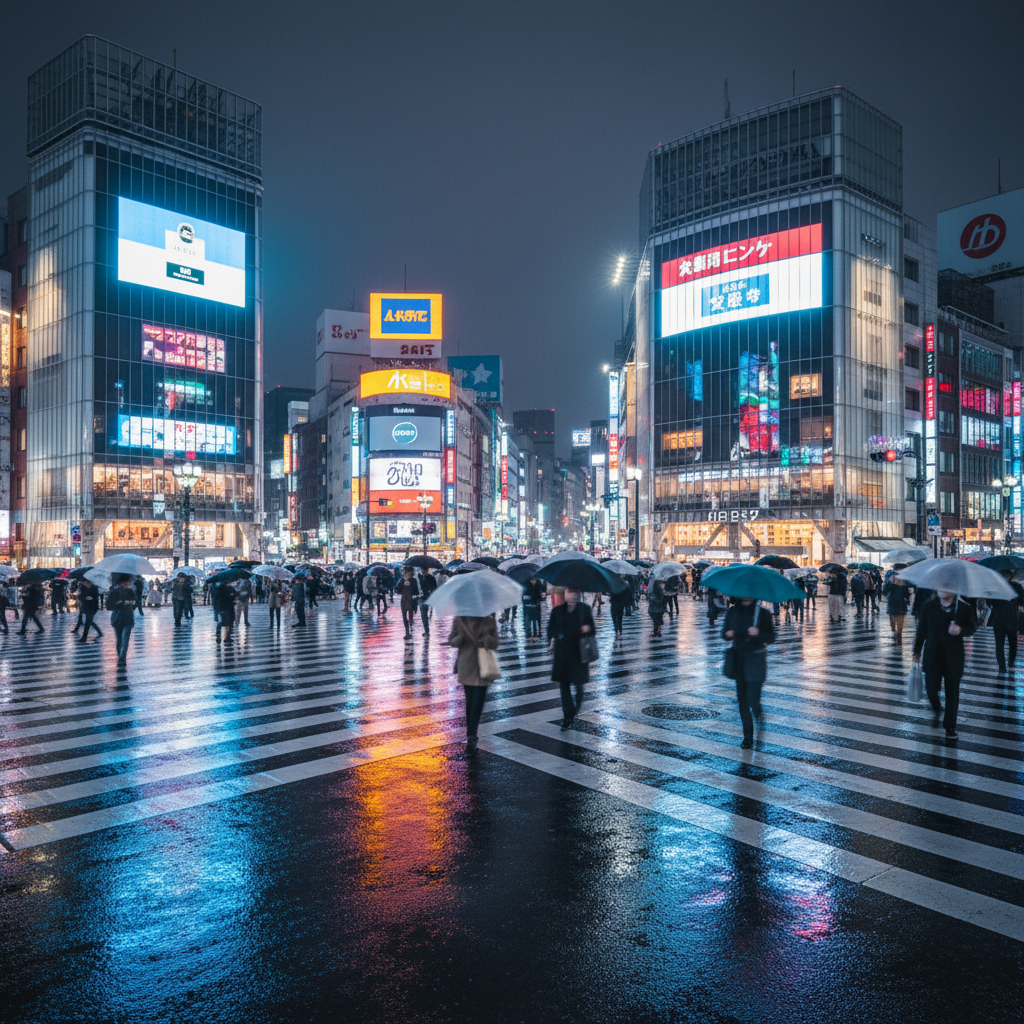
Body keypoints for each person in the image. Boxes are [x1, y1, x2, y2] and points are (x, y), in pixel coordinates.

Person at [913, 590, 978, 740]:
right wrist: (916, 651)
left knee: (952, 692)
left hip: (953, 657)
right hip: (932, 655)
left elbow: (972, 627)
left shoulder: (963, 607)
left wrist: (960, 630)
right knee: (930, 688)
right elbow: (921, 630)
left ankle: (950, 726)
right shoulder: (928, 606)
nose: (944, 589)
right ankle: (937, 708)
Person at [722, 597, 776, 749]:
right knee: (742, 702)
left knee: (752, 700)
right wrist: (728, 634)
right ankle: (747, 737)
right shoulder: (733, 611)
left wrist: (758, 634)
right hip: (739, 660)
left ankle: (759, 716)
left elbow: (771, 637)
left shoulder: (763, 613)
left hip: (756, 660)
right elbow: (723, 632)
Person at [446, 614, 500, 757]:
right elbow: (451, 640)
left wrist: (486, 640)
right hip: (466, 665)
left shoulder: (488, 619)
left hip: (483, 667)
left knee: (477, 703)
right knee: (470, 702)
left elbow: (495, 643)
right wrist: (461, 639)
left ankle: (471, 737)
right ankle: (471, 735)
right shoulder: (459, 620)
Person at [548, 588, 595, 730]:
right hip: (562, 653)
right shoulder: (557, 610)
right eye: (570, 592)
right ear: (565, 594)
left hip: (579, 653)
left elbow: (593, 629)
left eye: (576, 593)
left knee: (579, 686)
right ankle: (567, 715)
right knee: (564, 685)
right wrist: (552, 641)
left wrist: (588, 628)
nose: (573, 595)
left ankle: (575, 709)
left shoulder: (584, 609)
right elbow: (551, 629)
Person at [989, 569, 1024, 673]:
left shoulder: (1016, 586)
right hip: (1000, 620)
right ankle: (1002, 666)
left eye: (1007, 576)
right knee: (1000, 644)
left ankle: (1010, 662)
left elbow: (1022, 600)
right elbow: (989, 602)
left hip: (1010, 619)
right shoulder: (995, 587)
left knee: (1012, 643)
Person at [107, 575, 136, 667]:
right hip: (118, 618)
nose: (129, 583)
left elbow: (135, 603)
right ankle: (120, 656)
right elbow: (108, 605)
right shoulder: (114, 591)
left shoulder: (130, 591)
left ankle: (122, 659)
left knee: (125, 640)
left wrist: (130, 603)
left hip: (128, 618)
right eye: (128, 581)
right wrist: (118, 603)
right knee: (119, 640)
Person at [882, 573, 911, 643]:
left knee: (900, 626)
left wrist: (908, 591)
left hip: (900, 606)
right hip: (893, 605)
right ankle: (895, 632)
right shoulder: (891, 584)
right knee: (893, 624)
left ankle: (899, 638)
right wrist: (889, 583)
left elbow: (907, 595)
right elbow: (884, 592)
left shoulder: (905, 584)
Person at [395, 566, 421, 639]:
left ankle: (410, 630)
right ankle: (407, 632)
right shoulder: (402, 580)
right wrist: (402, 585)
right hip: (404, 599)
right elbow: (397, 590)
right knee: (404, 615)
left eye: (407, 572)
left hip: (411, 600)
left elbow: (416, 591)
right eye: (405, 572)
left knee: (410, 616)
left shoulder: (413, 580)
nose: (406, 573)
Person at [419, 570, 437, 634]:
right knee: (424, 614)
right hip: (423, 598)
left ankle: (427, 630)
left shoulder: (430, 577)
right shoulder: (419, 577)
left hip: (427, 598)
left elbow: (434, 587)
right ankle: (426, 630)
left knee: (425, 614)